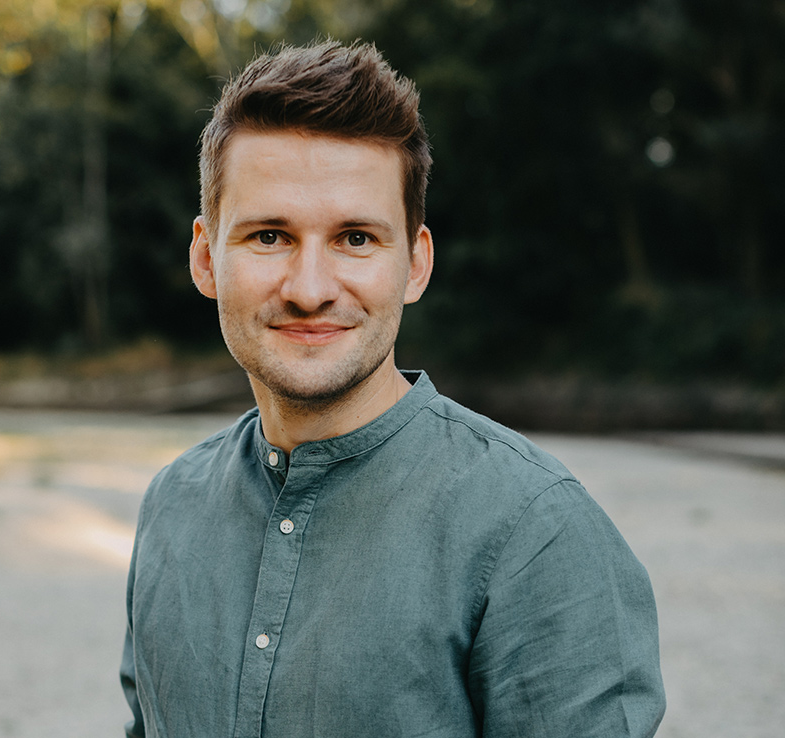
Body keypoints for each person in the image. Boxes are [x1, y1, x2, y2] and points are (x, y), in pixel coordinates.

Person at [120, 40, 665, 738]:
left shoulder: (537, 530)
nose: (310, 289)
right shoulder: (172, 505)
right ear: (205, 258)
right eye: (268, 237)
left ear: (415, 264)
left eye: (354, 238)